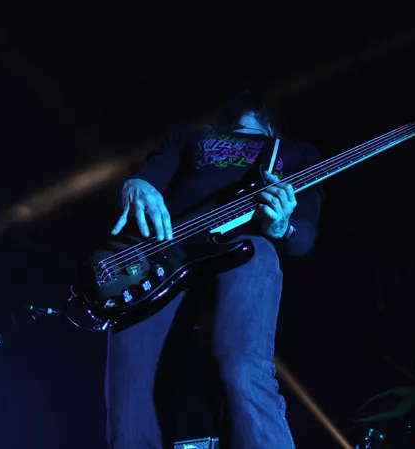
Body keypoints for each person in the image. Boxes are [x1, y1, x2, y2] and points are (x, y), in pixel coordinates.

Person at [106, 88, 323, 449]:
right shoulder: (189, 137)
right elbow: (148, 178)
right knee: (129, 400)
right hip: (160, 255)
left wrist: (283, 227)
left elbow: (305, 238)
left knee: (242, 369)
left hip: (244, 247)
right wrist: (135, 184)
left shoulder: (295, 151)